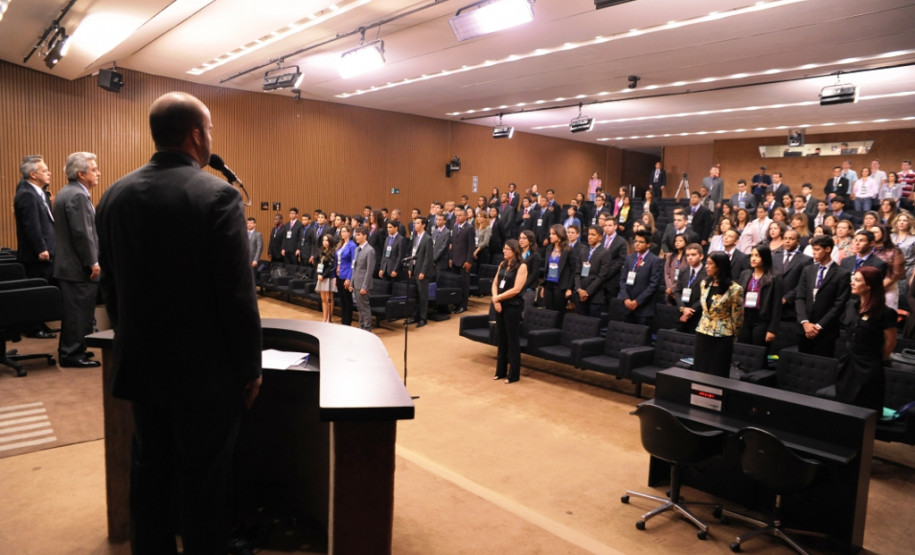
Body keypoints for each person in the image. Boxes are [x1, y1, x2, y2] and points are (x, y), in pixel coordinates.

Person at [95, 91, 262, 554]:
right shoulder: (218, 196)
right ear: (196, 135)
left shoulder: (113, 195)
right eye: (209, 130)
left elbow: (109, 286)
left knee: (150, 469)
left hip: (141, 365)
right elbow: (236, 296)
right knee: (203, 477)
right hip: (204, 374)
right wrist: (250, 365)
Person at [51, 152, 103, 370]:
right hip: (76, 267)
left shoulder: (68, 191)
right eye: (94, 169)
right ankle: (71, 355)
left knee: (78, 311)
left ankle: (77, 347)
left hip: (69, 265)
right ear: (81, 174)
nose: (98, 172)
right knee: (77, 313)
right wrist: (93, 262)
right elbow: (83, 233)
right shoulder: (78, 196)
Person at [837, 266, 897, 411]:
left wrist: (872, 360)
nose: (852, 283)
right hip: (847, 363)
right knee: (842, 408)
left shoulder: (886, 313)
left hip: (868, 367)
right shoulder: (851, 305)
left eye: (857, 280)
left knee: (864, 408)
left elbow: (890, 345)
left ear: (869, 285)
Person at [796, 235, 850, 357]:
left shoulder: (842, 274)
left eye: (817, 249)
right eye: (813, 249)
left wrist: (819, 326)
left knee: (822, 366)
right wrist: (805, 322)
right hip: (804, 327)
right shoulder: (808, 270)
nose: (813, 253)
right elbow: (800, 297)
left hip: (826, 329)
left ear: (828, 249)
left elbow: (839, 304)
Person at [694, 252, 744, 377]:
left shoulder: (735, 289)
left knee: (717, 370)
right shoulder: (704, 284)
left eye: (710, 263)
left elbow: (737, 316)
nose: (706, 266)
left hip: (722, 335)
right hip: (703, 332)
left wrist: (734, 335)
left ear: (720, 266)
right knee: (700, 368)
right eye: (706, 263)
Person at [14, 155, 57, 285]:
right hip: (37, 257)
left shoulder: (41, 192)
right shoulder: (27, 194)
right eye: (44, 171)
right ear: (33, 174)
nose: (49, 173)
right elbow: (31, 224)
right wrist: (41, 248)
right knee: (42, 293)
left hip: (48, 253)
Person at [492, 239, 528, 384]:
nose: (504, 251)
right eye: (504, 248)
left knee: (512, 339)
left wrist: (498, 298)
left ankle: (513, 374)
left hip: (513, 305)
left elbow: (517, 289)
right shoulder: (502, 264)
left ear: (514, 251)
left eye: (507, 249)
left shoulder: (522, 266)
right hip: (499, 304)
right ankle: (500, 372)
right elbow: (495, 283)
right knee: (501, 338)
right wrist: (495, 299)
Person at [737, 245, 783, 353]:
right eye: (752, 255)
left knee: (758, 352)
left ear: (765, 257)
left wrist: (772, 329)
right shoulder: (745, 274)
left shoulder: (775, 276)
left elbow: (777, 305)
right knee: (743, 350)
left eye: (757, 256)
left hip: (762, 320)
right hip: (745, 317)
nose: (753, 258)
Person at [618, 229, 663, 326]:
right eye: (636, 241)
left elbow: (653, 285)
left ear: (648, 244)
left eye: (641, 242)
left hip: (644, 309)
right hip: (627, 306)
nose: (637, 244)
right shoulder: (629, 258)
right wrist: (626, 299)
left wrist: (637, 302)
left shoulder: (655, 261)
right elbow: (622, 280)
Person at [572, 225, 609, 317]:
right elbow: (577, 272)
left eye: (593, 234)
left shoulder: (605, 253)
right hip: (580, 294)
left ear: (600, 237)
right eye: (589, 234)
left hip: (595, 297)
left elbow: (601, 276)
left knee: (592, 326)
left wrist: (587, 292)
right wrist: (579, 289)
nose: (589, 237)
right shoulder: (583, 250)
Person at [406, 216, 434, 327]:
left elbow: (428, 258)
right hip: (413, 270)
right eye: (415, 223)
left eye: (417, 223)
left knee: (422, 296)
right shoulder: (415, 237)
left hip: (422, 272)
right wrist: (410, 268)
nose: (415, 225)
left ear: (423, 225)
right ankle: (415, 316)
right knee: (415, 295)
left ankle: (423, 318)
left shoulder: (427, 239)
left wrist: (423, 271)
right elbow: (412, 254)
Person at [870, 223, 905, 309]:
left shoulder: (894, 250)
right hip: (868, 289)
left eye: (875, 232)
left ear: (883, 234)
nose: (872, 234)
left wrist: (876, 288)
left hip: (888, 288)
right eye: (870, 232)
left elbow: (895, 274)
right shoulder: (867, 250)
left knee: (887, 316)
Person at [673, 243, 707, 333]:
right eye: (687, 255)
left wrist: (690, 311)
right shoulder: (683, 271)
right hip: (681, 313)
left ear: (701, 256)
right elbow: (677, 292)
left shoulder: (707, 273)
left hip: (698, 315)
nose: (690, 258)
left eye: (693, 255)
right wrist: (683, 308)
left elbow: (706, 295)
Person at [541, 224, 573, 312]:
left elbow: (572, 270)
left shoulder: (568, 250)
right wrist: (543, 286)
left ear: (560, 235)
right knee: (548, 310)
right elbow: (546, 268)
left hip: (560, 285)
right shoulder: (549, 249)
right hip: (548, 284)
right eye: (550, 234)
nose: (550, 236)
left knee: (559, 312)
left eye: (553, 234)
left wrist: (569, 288)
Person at [351, 226, 376, 331]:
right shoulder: (357, 249)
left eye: (359, 235)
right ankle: (361, 326)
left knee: (364, 307)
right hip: (356, 282)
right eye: (356, 234)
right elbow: (355, 267)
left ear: (365, 236)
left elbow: (369, 271)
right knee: (359, 307)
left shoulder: (370, 250)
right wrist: (352, 283)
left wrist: (364, 286)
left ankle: (367, 327)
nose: (356, 237)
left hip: (363, 284)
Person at [335, 225, 357, 327]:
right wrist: (334, 276)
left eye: (344, 231)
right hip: (339, 274)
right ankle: (343, 321)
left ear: (349, 233)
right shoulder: (341, 244)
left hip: (346, 275)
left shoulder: (352, 246)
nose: (342, 233)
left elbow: (353, 263)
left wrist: (349, 278)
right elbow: (337, 261)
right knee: (342, 300)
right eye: (341, 231)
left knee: (348, 301)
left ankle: (347, 323)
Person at [315, 233, 337, 323]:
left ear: (331, 241)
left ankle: (329, 318)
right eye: (323, 240)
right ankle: (324, 318)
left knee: (329, 299)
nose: (325, 242)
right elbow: (319, 264)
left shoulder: (332, 253)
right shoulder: (322, 252)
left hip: (328, 278)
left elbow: (330, 267)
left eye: (326, 240)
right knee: (323, 299)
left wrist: (323, 276)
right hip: (321, 277)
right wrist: (318, 274)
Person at [518, 229, 542, 306]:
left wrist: (522, 286)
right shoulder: (518, 253)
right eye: (520, 238)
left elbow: (534, 274)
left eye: (524, 238)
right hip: (516, 288)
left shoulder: (535, 255)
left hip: (528, 289)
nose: (521, 240)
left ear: (530, 240)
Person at [664, 234, 688, 304]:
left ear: (686, 242)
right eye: (676, 241)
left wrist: (673, 289)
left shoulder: (687, 257)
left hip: (681, 289)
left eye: (680, 241)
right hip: (669, 289)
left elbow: (686, 275)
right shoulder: (670, 256)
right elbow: (666, 273)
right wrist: (669, 287)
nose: (677, 242)